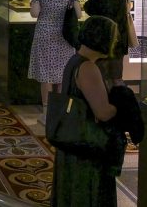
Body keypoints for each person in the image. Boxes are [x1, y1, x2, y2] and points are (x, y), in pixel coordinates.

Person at [50, 16, 125, 207]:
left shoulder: (74, 61)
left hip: (71, 144)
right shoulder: (88, 67)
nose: (115, 42)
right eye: (113, 37)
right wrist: (122, 107)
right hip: (85, 148)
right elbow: (102, 112)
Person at [29, 0, 82, 115]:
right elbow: (78, 14)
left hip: (44, 33)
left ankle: (46, 109)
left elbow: (34, 13)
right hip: (64, 36)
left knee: (45, 73)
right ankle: (59, 108)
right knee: (62, 73)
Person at [84, 0, 137, 86]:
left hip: (101, 45)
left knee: (100, 79)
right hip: (118, 45)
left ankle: (101, 103)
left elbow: (88, 9)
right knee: (117, 78)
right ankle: (119, 102)